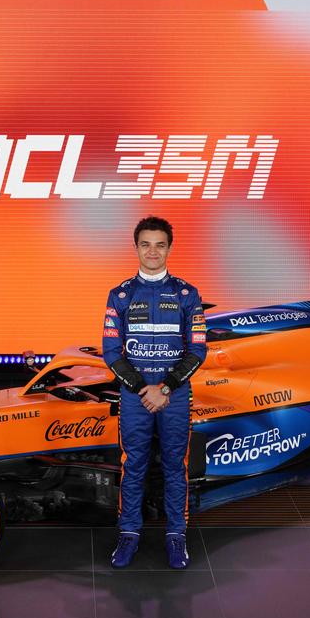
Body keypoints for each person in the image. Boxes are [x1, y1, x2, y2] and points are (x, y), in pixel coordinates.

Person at [102, 216, 207, 569]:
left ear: (169, 248)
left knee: (176, 466)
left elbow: (198, 351)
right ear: (136, 248)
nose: (152, 251)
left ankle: (176, 535)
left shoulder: (187, 295)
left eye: (159, 244)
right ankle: (129, 533)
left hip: (174, 395)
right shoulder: (119, 295)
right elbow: (111, 352)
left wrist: (164, 388)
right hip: (135, 395)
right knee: (133, 466)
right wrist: (143, 389)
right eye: (145, 244)